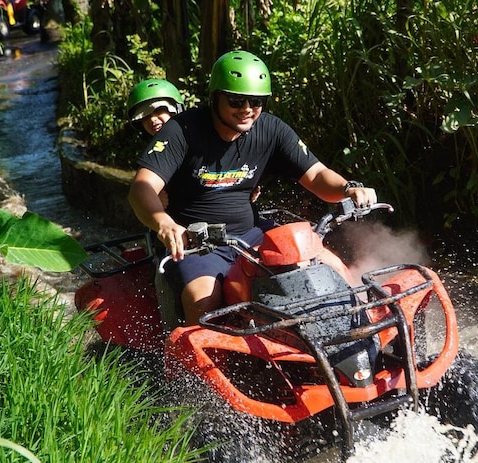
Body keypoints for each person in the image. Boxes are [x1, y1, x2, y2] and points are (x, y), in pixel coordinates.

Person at [128, 50, 376, 325]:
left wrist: (349, 188)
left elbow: (317, 175)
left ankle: (364, 342)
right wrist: (164, 223)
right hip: (196, 244)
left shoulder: (271, 130)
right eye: (236, 100)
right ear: (216, 98)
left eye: (257, 101)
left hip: (253, 233)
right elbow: (142, 188)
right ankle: (189, 367)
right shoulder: (181, 130)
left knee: (332, 267)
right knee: (203, 300)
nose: (247, 109)